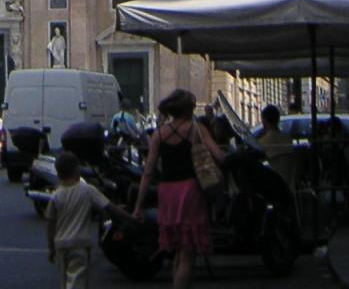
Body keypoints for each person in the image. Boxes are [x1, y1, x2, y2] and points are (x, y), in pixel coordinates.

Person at [132, 89, 224, 289]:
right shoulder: (196, 129)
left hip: (167, 192)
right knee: (188, 253)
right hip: (190, 191)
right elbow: (219, 155)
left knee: (178, 251)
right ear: (189, 109)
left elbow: (148, 172)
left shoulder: (159, 134)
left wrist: (138, 206)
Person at [47, 150, 130, 289]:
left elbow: (51, 224)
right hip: (80, 244)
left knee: (64, 282)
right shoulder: (88, 190)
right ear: (77, 169)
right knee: (78, 281)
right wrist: (130, 218)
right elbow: (110, 207)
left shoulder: (56, 195)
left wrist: (51, 247)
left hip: (60, 244)